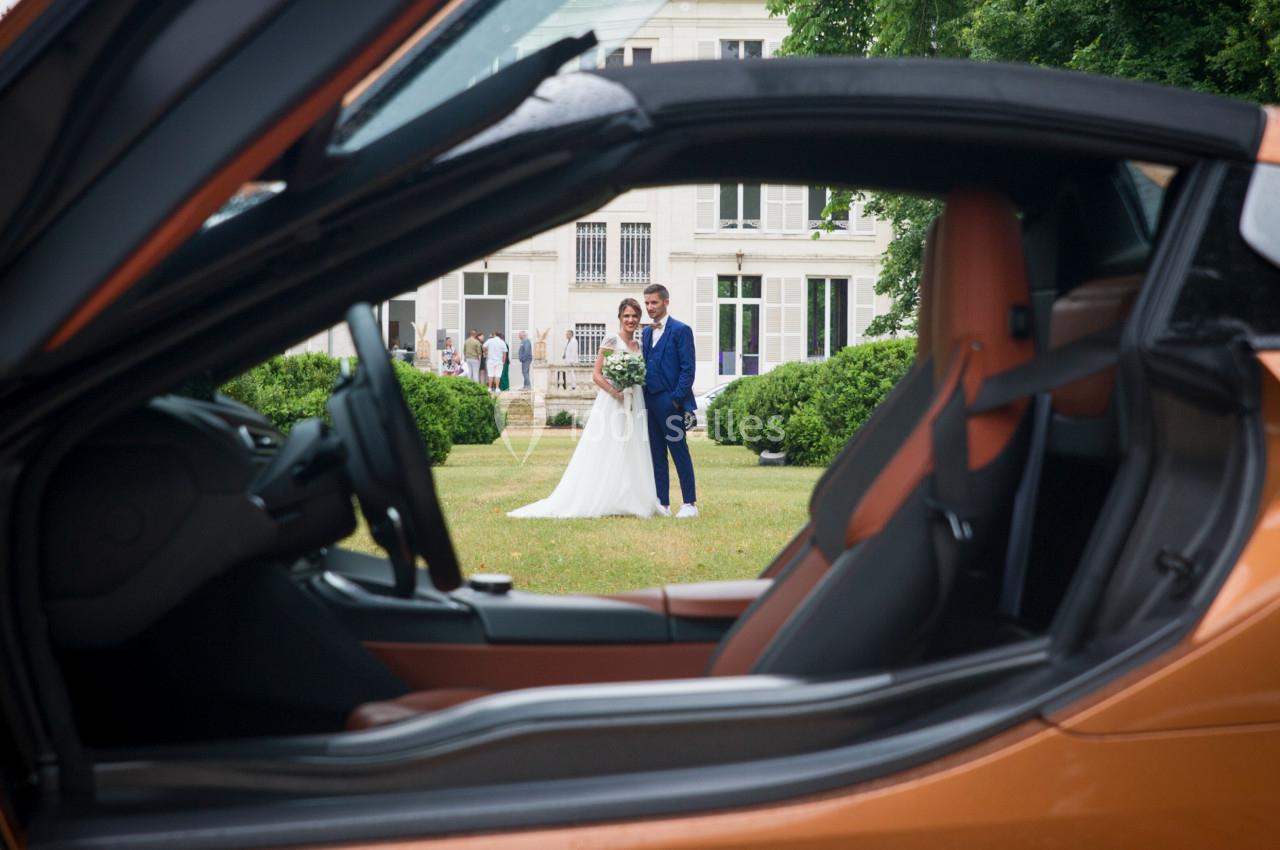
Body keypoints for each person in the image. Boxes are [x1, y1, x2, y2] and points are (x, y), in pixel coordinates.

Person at [509, 299, 661, 519]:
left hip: (635, 400)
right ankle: (601, 496)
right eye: (626, 316)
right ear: (619, 317)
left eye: (635, 316)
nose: (630, 320)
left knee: (633, 447)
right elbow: (597, 375)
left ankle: (630, 499)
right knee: (608, 447)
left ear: (639, 320)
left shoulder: (639, 346)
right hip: (613, 401)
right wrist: (615, 392)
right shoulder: (611, 340)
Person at [641, 283, 698, 518]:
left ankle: (689, 504)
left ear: (666, 302)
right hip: (649, 401)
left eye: (654, 302)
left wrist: (675, 400)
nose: (649, 307)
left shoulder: (681, 330)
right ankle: (662, 503)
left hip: (670, 401)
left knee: (679, 451)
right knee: (656, 453)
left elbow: (688, 369)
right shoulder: (645, 332)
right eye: (646, 303)